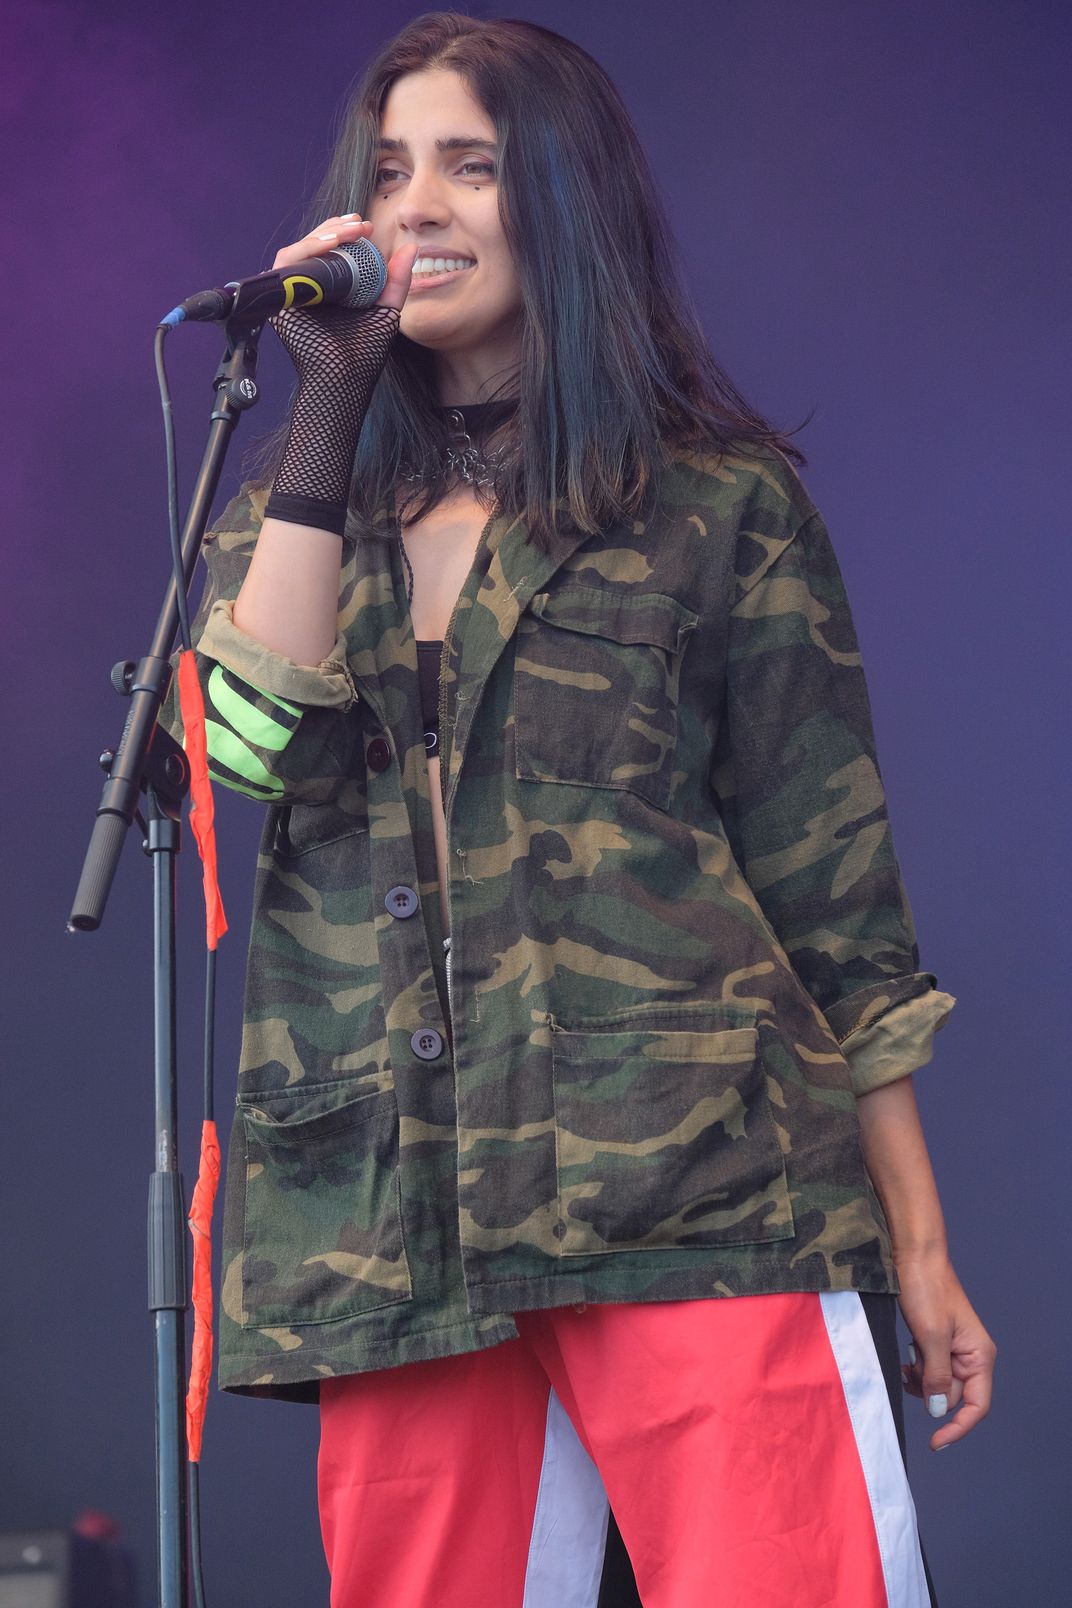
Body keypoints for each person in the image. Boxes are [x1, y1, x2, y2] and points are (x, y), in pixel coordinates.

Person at [165, 12, 996, 1607]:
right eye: (391, 170)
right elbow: (240, 760)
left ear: (560, 200)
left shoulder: (719, 503)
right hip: (392, 1222)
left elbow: (837, 901)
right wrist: (327, 414)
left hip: (707, 1184)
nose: (420, 208)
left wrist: (920, 1236)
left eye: (472, 168)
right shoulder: (294, 513)